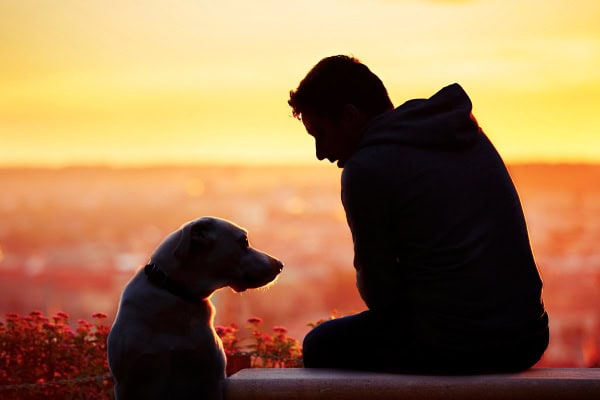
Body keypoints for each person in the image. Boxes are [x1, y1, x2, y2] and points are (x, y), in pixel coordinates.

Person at [288, 55, 549, 374]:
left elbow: (381, 294)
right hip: (528, 338)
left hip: (457, 347)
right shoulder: (462, 132)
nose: (321, 154)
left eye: (321, 134)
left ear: (350, 116)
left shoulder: (366, 169)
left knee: (319, 345)